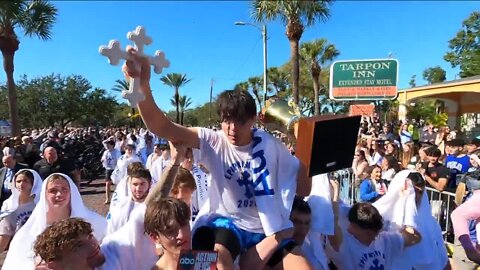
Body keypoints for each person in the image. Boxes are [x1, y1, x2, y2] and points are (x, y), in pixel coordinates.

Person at [124, 48, 311, 270]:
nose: (232, 129)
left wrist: (308, 144)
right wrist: (142, 85)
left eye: (240, 121)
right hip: (227, 225)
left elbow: (304, 189)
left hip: (266, 228)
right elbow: (163, 127)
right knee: (218, 263)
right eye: (226, 121)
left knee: (304, 266)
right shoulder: (214, 141)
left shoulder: (271, 144)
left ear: (253, 119)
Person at [2, 173, 107, 269]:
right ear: (45, 194)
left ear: (71, 192)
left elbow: (111, 251)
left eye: (64, 189)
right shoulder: (29, 230)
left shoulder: (95, 221)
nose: (59, 194)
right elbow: (15, 263)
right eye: (53, 191)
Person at [373, 171, 450, 269]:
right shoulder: (379, 218)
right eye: (412, 190)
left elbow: (442, 258)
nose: (415, 196)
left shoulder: (431, 223)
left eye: (420, 192)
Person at [327, 202, 422, 270]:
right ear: (353, 226)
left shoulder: (384, 239)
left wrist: (406, 204)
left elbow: (416, 238)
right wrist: (335, 193)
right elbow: (330, 223)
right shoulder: (344, 244)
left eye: (376, 233)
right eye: (369, 234)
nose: (374, 237)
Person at [33, 217, 106, 270]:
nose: (92, 245)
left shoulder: (113, 253)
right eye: (78, 245)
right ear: (54, 265)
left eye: (90, 236)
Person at [0, 169, 42, 252]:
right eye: (18, 181)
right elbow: (5, 233)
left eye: (26, 181)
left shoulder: (41, 204)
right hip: (19, 249)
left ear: (34, 183)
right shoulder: (10, 205)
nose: (21, 184)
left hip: (41, 248)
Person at [107, 167, 151, 235]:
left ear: (149, 184)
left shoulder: (155, 207)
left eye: (142, 184)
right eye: (135, 184)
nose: (138, 189)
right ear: (129, 184)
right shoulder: (119, 208)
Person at [101, 140, 121, 204]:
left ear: (112, 145)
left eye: (108, 145)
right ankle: (107, 198)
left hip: (115, 169)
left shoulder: (117, 152)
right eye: (107, 145)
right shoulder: (105, 152)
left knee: (117, 184)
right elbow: (103, 159)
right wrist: (102, 161)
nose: (107, 146)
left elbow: (119, 161)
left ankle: (118, 198)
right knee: (107, 184)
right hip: (108, 169)